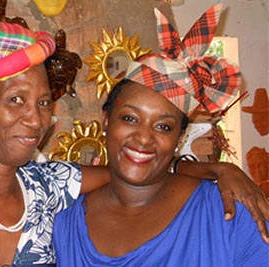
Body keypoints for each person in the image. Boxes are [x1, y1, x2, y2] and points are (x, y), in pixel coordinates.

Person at [0, 11, 268, 267]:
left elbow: (131, 171)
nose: (35, 119)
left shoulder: (47, 190)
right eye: (16, 100)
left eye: (44, 102)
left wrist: (217, 168)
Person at [53, 4, 269, 266]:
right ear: (106, 120)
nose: (144, 138)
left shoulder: (233, 214)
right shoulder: (62, 221)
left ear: (179, 139)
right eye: (130, 118)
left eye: (163, 127)